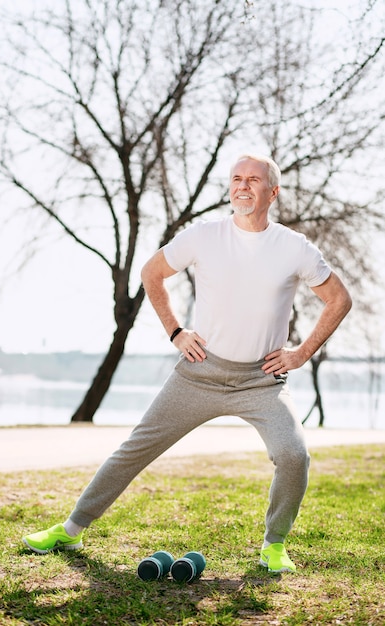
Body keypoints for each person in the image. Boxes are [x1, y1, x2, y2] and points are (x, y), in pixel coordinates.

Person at [22, 154, 352, 573]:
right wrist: (177, 332)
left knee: (294, 456)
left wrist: (301, 352)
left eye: (254, 179)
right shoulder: (204, 236)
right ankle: (70, 529)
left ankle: (274, 544)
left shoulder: (294, 247)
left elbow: (339, 299)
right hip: (200, 373)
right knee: (135, 449)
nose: (243, 186)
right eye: (236, 179)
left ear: (273, 191)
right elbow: (151, 273)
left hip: (261, 381)